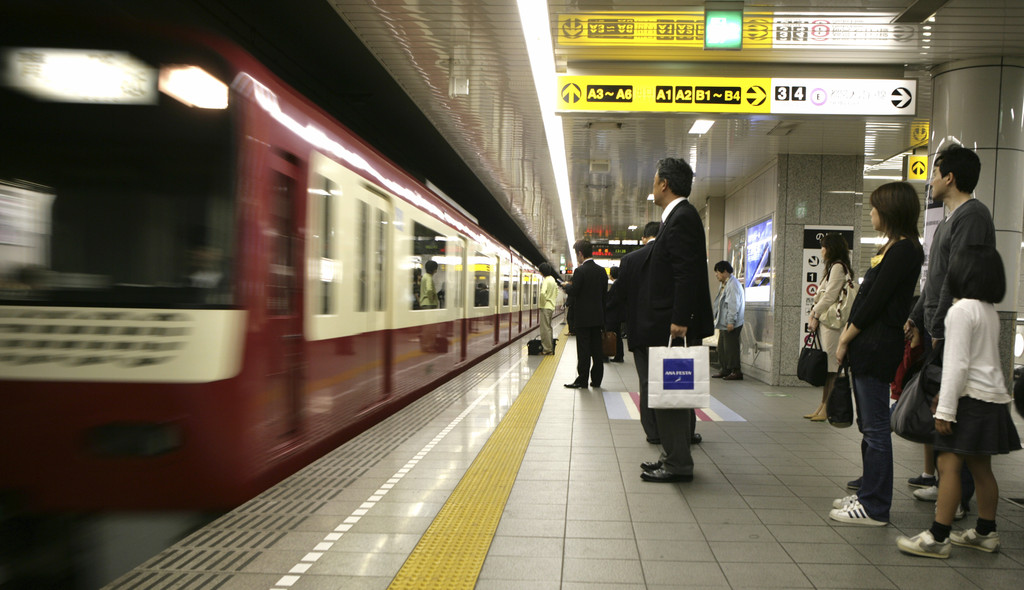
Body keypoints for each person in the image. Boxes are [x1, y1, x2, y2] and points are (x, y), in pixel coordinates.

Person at [896, 245, 1021, 558]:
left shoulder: (961, 311)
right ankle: (986, 532)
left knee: (947, 465)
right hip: (992, 400)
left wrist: (946, 410)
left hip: (968, 401)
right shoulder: (988, 310)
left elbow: (956, 366)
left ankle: (938, 537)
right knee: (981, 468)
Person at [905, 145, 994, 509]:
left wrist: (940, 327)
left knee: (953, 413)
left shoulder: (972, 216)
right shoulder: (947, 219)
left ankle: (957, 498)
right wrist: (915, 316)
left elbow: (958, 279)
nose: (930, 179)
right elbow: (935, 277)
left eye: (935, 171)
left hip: (953, 330)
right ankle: (947, 487)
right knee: (941, 409)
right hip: (935, 327)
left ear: (950, 177)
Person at [830, 181, 924, 525]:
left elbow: (873, 302)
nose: (871, 213)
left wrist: (844, 339)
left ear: (889, 211)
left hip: (876, 345)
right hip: (871, 345)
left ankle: (875, 505)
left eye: (874, 207)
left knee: (875, 429)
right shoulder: (897, 248)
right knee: (871, 427)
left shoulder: (904, 251)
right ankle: (869, 492)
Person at [638, 157, 714, 483]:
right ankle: (671, 456)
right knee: (671, 395)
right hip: (672, 322)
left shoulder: (681, 217)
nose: (652, 186)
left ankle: (678, 464)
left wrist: (680, 319)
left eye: (654, 180)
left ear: (664, 184)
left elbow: (686, 273)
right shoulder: (679, 217)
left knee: (671, 397)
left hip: (674, 325)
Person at [608, 221, 662, 444]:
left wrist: (609, 323)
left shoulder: (630, 260)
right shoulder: (675, 255)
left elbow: (618, 296)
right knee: (676, 382)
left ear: (643, 238)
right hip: (672, 333)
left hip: (641, 333)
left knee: (647, 382)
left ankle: (653, 432)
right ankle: (684, 431)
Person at [805, 233, 853, 420]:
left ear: (831, 248)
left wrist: (814, 313)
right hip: (827, 321)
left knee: (832, 368)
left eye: (824, 247)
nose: (821, 251)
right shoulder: (834, 267)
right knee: (829, 368)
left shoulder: (838, 267)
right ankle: (822, 406)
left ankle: (827, 409)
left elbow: (830, 296)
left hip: (832, 323)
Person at [562, 240, 607, 389]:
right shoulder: (601, 271)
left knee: (584, 350)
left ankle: (582, 380)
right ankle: (597, 380)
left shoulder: (580, 271)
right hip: (598, 317)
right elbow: (603, 296)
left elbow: (574, 292)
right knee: (597, 350)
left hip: (583, 318)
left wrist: (567, 287)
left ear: (580, 253)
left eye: (576, 254)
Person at [711, 260, 744, 381]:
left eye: (717, 272)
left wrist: (731, 321)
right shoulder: (725, 283)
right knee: (722, 347)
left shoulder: (733, 284)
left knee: (731, 348)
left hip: (731, 323)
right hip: (724, 322)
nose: (716, 275)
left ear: (725, 272)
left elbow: (733, 304)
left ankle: (736, 371)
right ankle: (725, 369)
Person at [605, 266, 625, 362]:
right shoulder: (619, 284)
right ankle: (619, 355)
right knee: (617, 335)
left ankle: (607, 353)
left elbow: (614, 300)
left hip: (613, 314)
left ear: (611, 274)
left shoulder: (616, 284)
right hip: (617, 314)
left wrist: (606, 306)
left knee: (610, 333)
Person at [538, 263, 558, 355]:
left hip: (545, 307)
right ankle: (550, 348)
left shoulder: (546, 280)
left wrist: (542, 303)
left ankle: (547, 349)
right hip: (551, 306)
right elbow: (556, 291)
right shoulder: (553, 280)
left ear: (542, 272)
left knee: (544, 329)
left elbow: (542, 293)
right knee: (548, 328)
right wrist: (552, 300)